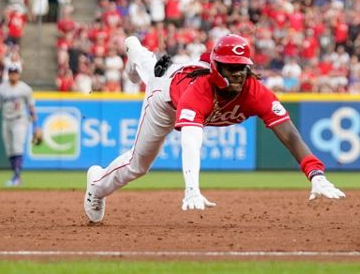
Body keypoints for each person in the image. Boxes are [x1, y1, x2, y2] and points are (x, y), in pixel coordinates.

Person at [84, 34, 346, 223]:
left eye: (242, 68)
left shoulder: (256, 93)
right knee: (138, 165)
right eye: (231, 68)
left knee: (151, 66)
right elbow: (190, 142)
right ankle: (97, 185)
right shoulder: (199, 92)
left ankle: (136, 52)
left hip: (183, 71)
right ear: (216, 67)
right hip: (166, 98)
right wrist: (192, 188)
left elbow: (289, 134)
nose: (237, 74)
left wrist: (316, 174)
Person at [0, 66, 40, 186]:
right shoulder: (1, 89)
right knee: (10, 150)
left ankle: (16, 176)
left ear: (19, 74)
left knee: (17, 147)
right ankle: (16, 175)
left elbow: (31, 107)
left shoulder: (25, 89)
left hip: (20, 120)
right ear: (8, 74)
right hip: (6, 121)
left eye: (15, 73)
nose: (13, 75)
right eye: (11, 73)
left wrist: (36, 126)